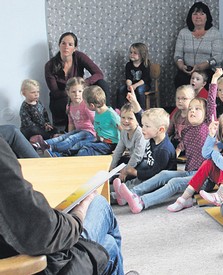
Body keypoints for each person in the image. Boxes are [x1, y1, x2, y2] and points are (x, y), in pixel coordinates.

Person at [0, 138, 123, 274]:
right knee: (99, 203)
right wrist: (78, 215)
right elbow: (42, 234)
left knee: (108, 245)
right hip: (31, 266)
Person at [114, 68, 220, 214]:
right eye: (191, 109)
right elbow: (155, 124)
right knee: (164, 174)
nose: (192, 111)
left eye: (197, 109)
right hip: (190, 172)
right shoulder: (187, 129)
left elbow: (212, 104)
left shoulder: (208, 126)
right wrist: (135, 104)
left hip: (205, 178)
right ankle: (131, 193)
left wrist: (214, 80)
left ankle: (142, 202)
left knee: (174, 183)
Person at [168, 109, 223, 210]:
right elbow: (206, 154)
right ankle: (185, 197)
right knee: (208, 162)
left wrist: (215, 151)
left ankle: (220, 195)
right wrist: (211, 135)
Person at [45, 32, 109, 127]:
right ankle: (72, 126)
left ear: (75, 48)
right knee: (67, 102)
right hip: (62, 97)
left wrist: (83, 84)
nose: (66, 47)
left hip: (81, 91)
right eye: (63, 43)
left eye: (70, 44)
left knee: (102, 83)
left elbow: (99, 73)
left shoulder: (79, 56)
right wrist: (73, 92)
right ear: (59, 45)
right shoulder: (50, 65)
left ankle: (106, 114)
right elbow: (55, 92)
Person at [113, 108, 176, 198]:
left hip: (160, 181)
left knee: (143, 184)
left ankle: (119, 196)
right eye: (143, 125)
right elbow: (139, 116)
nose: (142, 129)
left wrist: (135, 172)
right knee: (138, 178)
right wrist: (134, 103)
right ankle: (122, 189)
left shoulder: (163, 150)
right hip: (152, 169)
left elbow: (155, 174)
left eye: (147, 126)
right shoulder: (154, 137)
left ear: (160, 130)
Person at [36, 77, 96, 157]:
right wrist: (69, 133)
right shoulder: (69, 106)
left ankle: (51, 148)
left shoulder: (85, 105)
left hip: (89, 132)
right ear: (68, 92)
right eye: (73, 92)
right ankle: (42, 144)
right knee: (63, 137)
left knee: (71, 139)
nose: (77, 94)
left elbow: (94, 121)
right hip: (79, 131)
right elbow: (71, 122)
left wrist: (98, 136)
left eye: (80, 91)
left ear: (84, 92)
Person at [174, 2, 223, 87]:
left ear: (207, 17)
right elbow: (178, 56)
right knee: (180, 79)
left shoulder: (215, 33)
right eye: (195, 14)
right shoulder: (183, 33)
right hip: (187, 71)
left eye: (202, 14)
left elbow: (217, 57)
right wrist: (182, 67)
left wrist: (201, 67)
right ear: (191, 16)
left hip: (207, 71)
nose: (198, 17)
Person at [109, 103, 147, 184]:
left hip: (143, 160)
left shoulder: (139, 133)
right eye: (123, 117)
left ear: (137, 120)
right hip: (132, 158)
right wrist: (111, 167)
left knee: (133, 171)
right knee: (115, 163)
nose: (126, 121)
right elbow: (118, 151)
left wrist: (126, 171)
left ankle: (126, 184)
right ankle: (111, 180)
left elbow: (137, 156)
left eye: (130, 118)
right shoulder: (123, 131)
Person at [77, 86, 120, 156]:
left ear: (91, 105)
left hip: (111, 144)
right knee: (81, 145)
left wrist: (119, 148)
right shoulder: (98, 112)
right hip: (103, 142)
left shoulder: (111, 114)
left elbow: (122, 129)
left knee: (86, 149)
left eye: (85, 102)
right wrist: (97, 139)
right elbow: (98, 127)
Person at [117, 42, 151, 108]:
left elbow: (145, 79)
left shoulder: (145, 65)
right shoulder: (128, 65)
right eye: (131, 52)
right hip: (132, 85)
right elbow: (128, 77)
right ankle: (120, 109)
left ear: (142, 55)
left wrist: (135, 85)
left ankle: (141, 110)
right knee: (121, 89)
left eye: (135, 53)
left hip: (143, 84)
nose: (132, 54)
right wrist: (129, 85)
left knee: (139, 90)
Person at [168, 85, 195, 156]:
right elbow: (169, 131)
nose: (180, 101)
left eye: (184, 98)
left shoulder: (193, 117)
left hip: (188, 145)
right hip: (176, 142)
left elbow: (189, 138)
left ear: (192, 100)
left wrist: (179, 149)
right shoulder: (176, 114)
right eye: (178, 98)